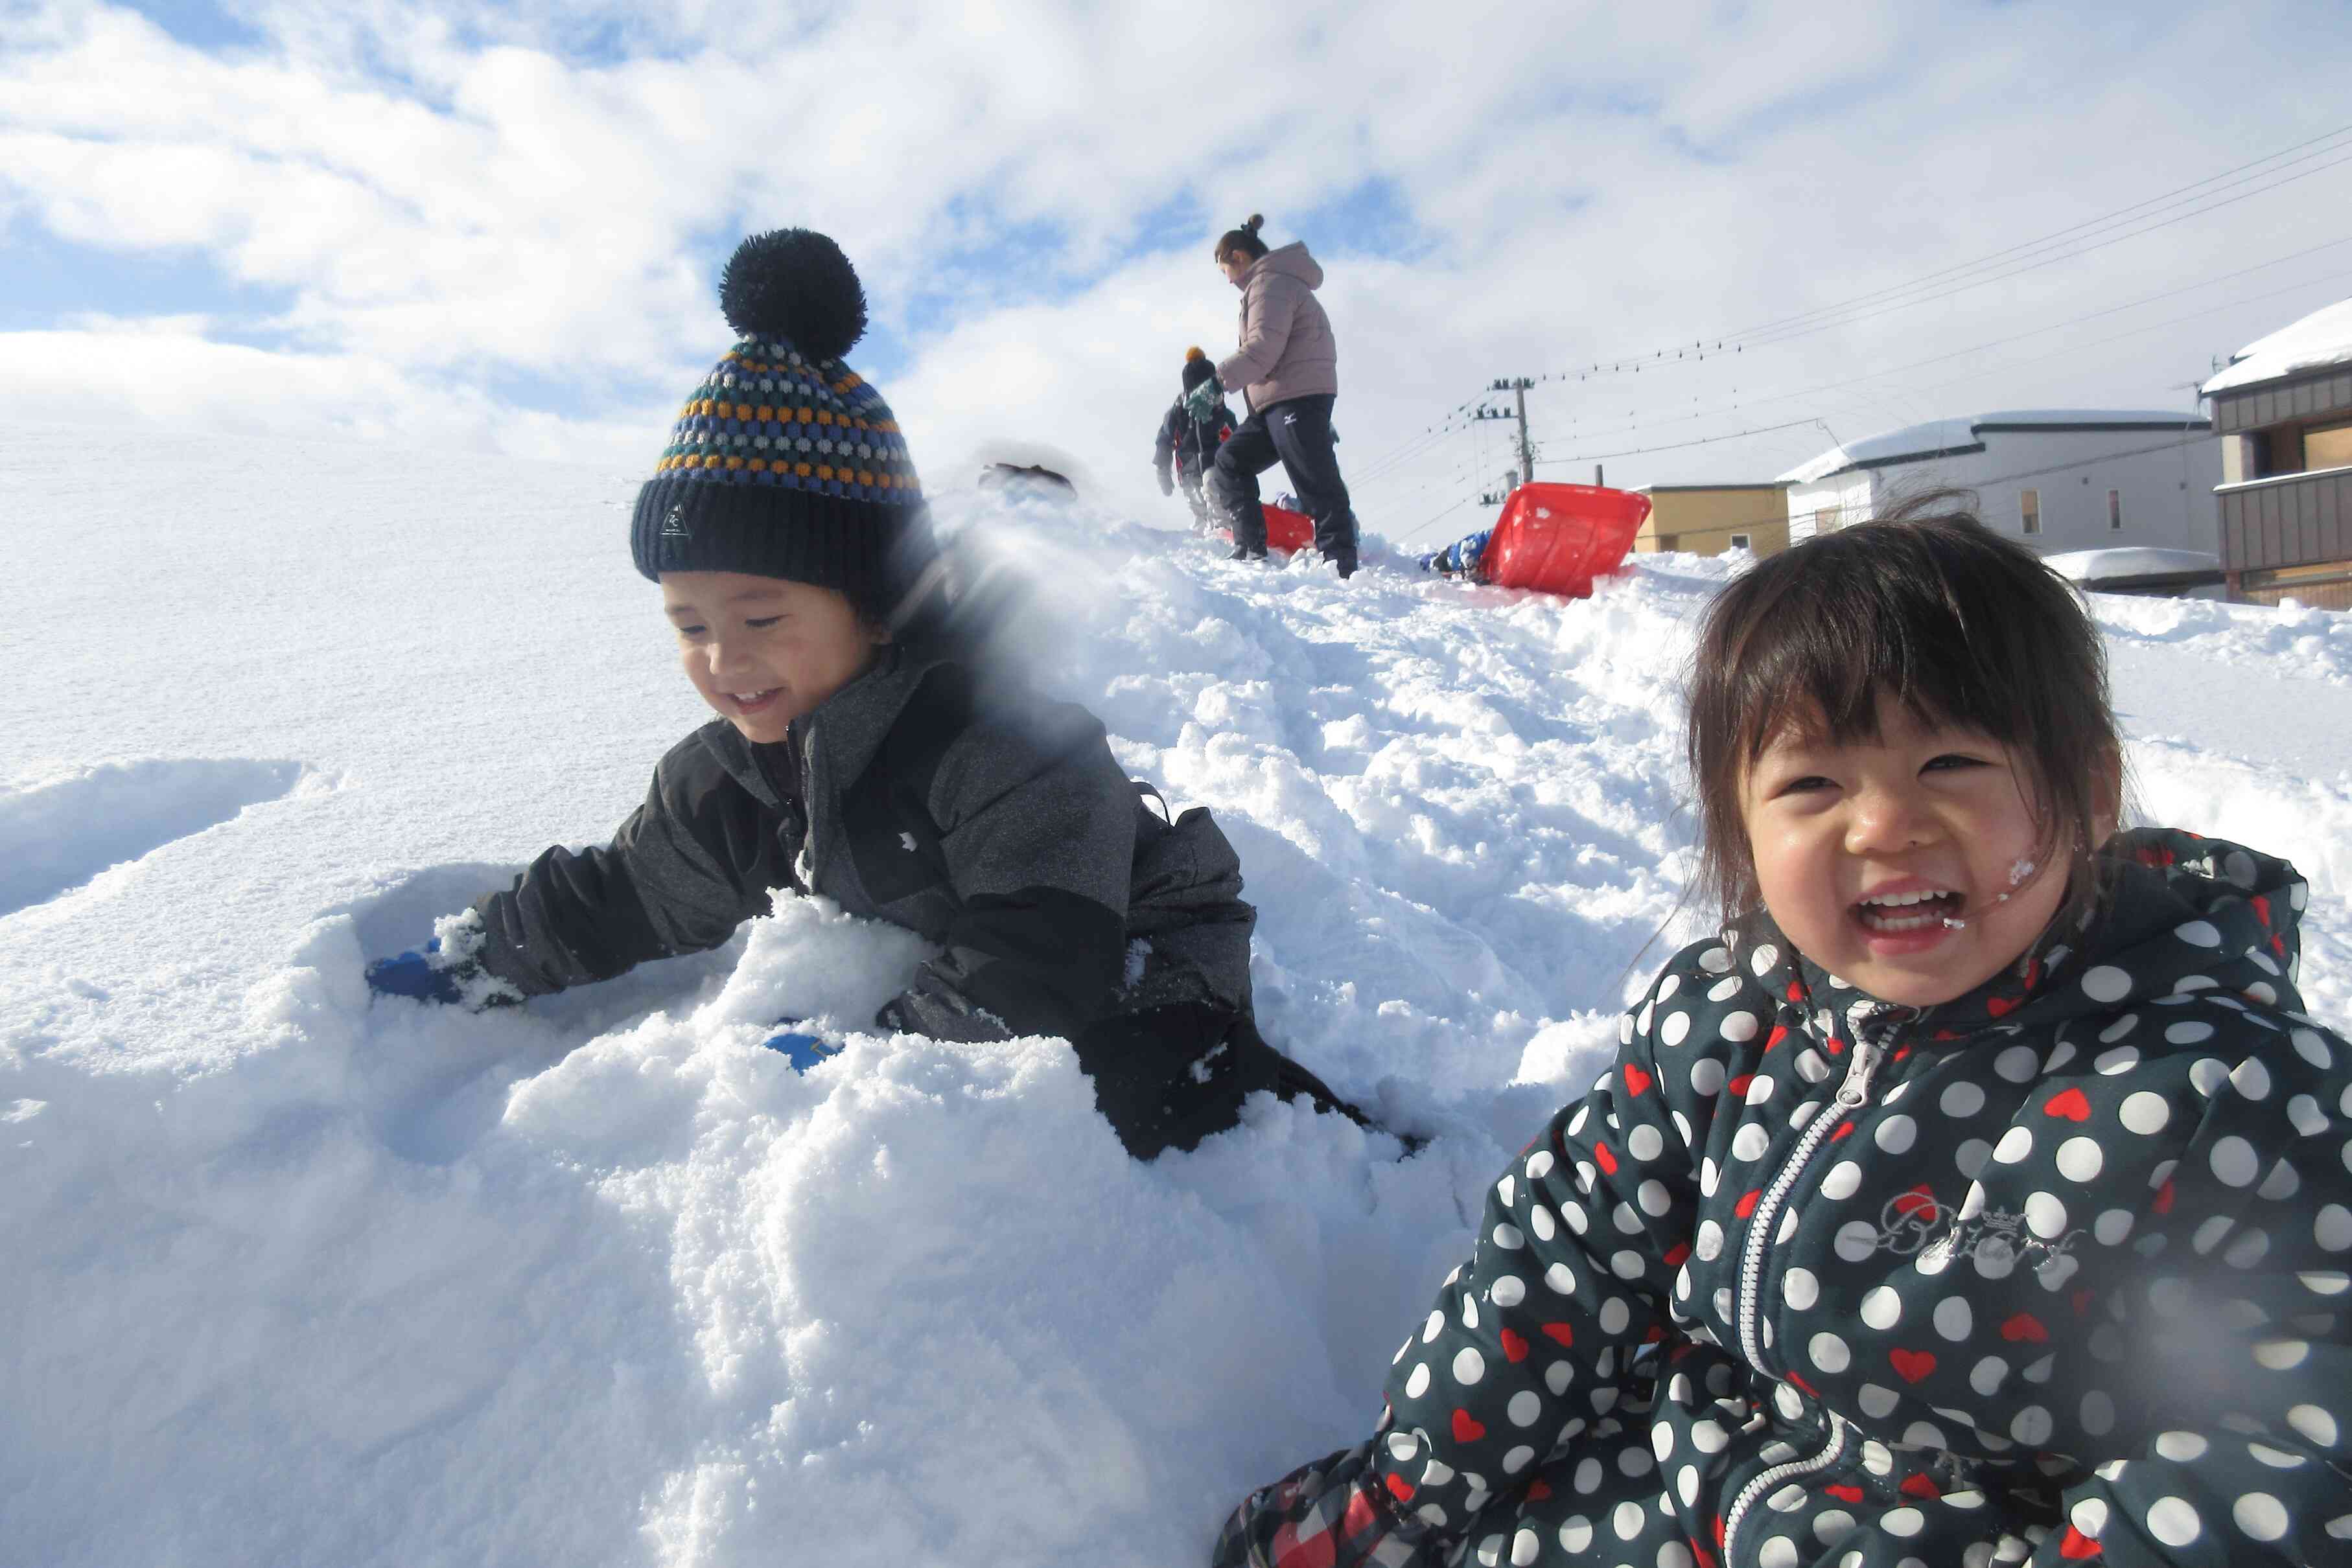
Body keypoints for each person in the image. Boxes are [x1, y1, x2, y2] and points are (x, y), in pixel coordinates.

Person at [1212, 501, 2352, 1565]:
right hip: (1679, 1488)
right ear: (1739, 833)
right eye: (1810, 783)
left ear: (2088, 792)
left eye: (1948, 762)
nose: (1884, 824)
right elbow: (1561, 1253)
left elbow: (2268, 1447)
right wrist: (1412, 1485)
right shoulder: (1729, 1020)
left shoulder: (2221, 1092)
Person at [363, 227, 1360, 1162]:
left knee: (1123, 1096)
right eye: (690, 625)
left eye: (759, 621)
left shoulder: (1002, 741)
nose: (722, 659)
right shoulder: (733, 779)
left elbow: (1042, 959)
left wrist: (878, 1066)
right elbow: (634, 890)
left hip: (1129, 946)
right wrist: (488, 953)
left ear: (876, 611)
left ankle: (1358, 1173)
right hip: (977, 951)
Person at [1207, 214, 1360, 577]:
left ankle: (1341, 563)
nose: (1227, 280)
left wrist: (1216, 383)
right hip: (1275, 401)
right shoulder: (1267, 285)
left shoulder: (1270, 284)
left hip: (1297, 397)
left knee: (1315, 478)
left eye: (1224, 269)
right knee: (1231, 461)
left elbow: (1263, 349)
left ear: (1239, 258)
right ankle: (1249, 547)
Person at [1154, 347, 1233, 531]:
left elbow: (1236, 437)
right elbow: (1164, 439)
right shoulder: (1178, 411)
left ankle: (1223, 529)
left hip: (1214, 461)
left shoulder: (1220, 410)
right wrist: (1162, 470)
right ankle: (1203, 533)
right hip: (1188, 465)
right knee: (1196, 501)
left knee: (1212, 488)